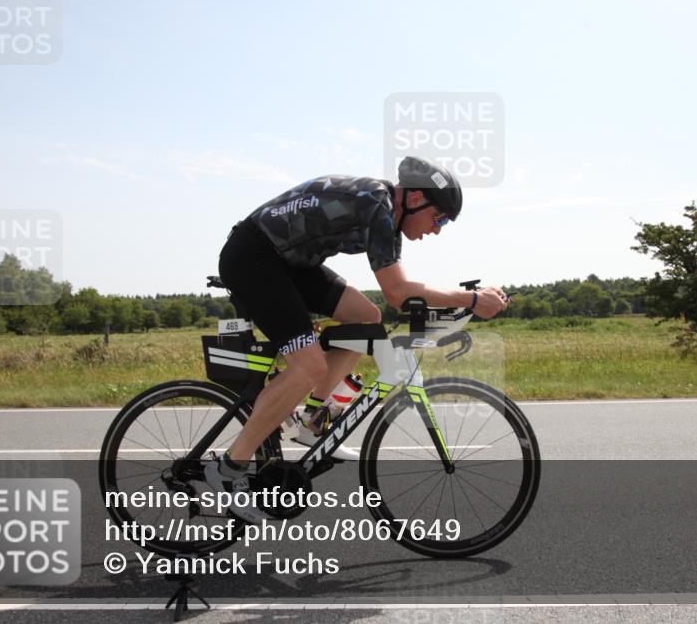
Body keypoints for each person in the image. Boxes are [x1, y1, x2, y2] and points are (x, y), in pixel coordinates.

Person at [205, 156, 509, 521]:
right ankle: (227, 471)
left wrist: (453, 309)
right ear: (414, 200)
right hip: (254, 256)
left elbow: (400, 295)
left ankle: (312, 421)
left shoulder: (386, 213)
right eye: (439, 217)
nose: (438, 229)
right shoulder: (376, 205)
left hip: (289, 263)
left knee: (366, 318)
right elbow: (398, 291)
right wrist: (471, 299)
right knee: (309, 366)